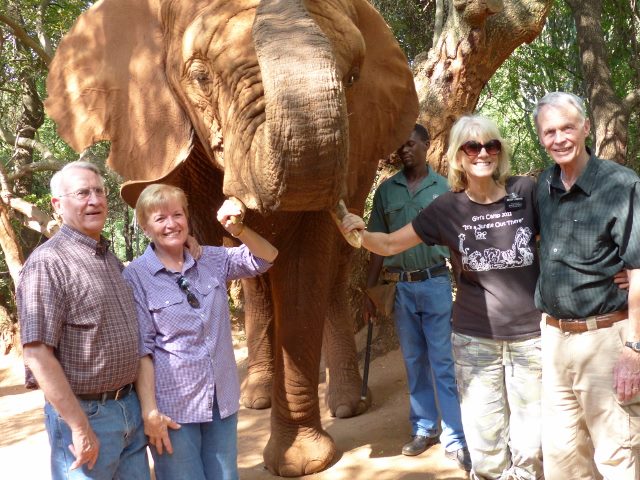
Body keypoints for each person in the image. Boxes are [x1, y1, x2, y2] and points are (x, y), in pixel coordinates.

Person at [345, 116, 544, 479]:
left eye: (491, 145)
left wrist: (613, 269)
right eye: (472, 146)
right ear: (458, 156)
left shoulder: (526, 192)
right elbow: (389, 243)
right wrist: (356, 232)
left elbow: (564, 236)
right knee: (486, 446)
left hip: (530, 337)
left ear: (500, 151)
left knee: (531, 444)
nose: (482, 153)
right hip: (476, 338)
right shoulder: (447, 207)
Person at [122, 184, 278, 480]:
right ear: (145, 227)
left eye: (177, 214)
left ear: (187, 217)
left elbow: (266, 257)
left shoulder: (211, 259)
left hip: (222, 397)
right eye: (160, 218)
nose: (171, 224)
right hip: (173, 407)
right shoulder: (136, 276)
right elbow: (143, 349)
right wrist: (150, 411)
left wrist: (239, 229)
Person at [16, 161, 150, 479]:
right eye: (82, 193)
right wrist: (78, 425)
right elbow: (37, 354)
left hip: (128, 408)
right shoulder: (48, 263)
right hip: (86, 416)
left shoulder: (109, 259)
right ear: (57, 205)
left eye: (99, 191)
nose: (95, 200)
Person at [533, 92, 640, 479]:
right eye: (550, 132)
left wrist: (634, 349)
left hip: (605, 338)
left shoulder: (621, 184)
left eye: (567, 128)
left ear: (586, 128)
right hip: (553, 339)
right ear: (541, 137)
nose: (559, 138)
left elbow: (639, 268)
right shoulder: (544, 184)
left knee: (616, 454)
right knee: (562, 457)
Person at [364, 123, 470, 471]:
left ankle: (455, 437)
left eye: (411, 144)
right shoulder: (386, 191)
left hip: (435, 282)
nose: (404, 150)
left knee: (443, 361)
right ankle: (424, 428)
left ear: (427, 144)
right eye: (400, 146)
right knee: (413, 360)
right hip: (401, 288)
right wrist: (370, 291)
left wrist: (464, 289)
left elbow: (456, 245)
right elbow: (377, 244)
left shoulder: (445, 188)